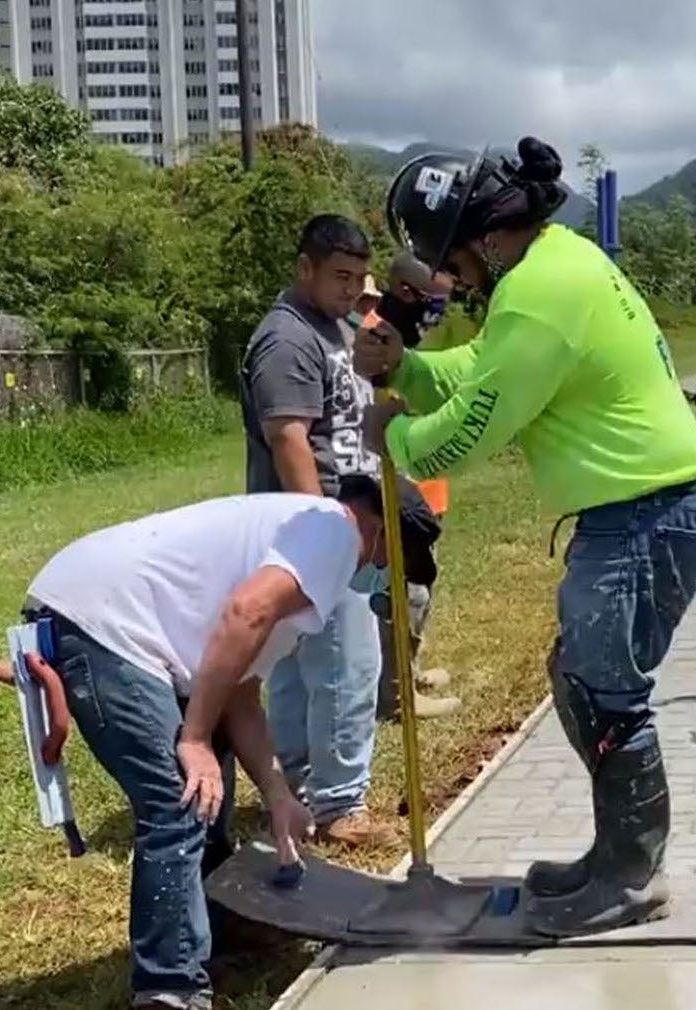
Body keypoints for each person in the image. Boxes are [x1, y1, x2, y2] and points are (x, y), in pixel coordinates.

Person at [360, 136, 696, 938]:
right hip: (646, 512)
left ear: (482, 233)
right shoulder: (556, 265)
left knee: (605, 694)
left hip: (649, 513)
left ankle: (632, 879)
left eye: (450, 262)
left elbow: (474, 427)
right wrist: (410, 369)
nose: (450, 281)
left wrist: (392, 435)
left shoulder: (538, 292)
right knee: (580, 676)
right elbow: (484, 373)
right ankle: (616, 860)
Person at [10, 477, 441, 1010]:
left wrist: (280, 795)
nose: (381, 578)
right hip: (100, 621)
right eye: (395, 565)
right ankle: (169, 989)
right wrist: (192, 738)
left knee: (211, 778)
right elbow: (245, 613)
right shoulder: (336, 533)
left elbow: (240, 693)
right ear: (382, 536)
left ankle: (216, 927)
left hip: (106, 611)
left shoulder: (306, 547)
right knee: (179, 797)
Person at [238, 213, 404, 848]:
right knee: (344, 664)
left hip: (344, 522)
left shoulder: (334, 327)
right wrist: (323, 536)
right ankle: (338, 805)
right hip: (315, 526)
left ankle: (303, 786)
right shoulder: (286, 340)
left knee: (303, 666)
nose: (350, 288)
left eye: (359, 277)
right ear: (303, 267)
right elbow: (289, 440)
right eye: (339, 275)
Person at [358, 252, 463, 723]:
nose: (442, 310)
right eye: (435, 301)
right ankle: (395, 697)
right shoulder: (376, 341)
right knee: (404, 594)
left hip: (428, 484)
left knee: (422, 586)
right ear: (406, 292)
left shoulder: (416, 338)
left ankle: (409, 669)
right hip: (399, 485)